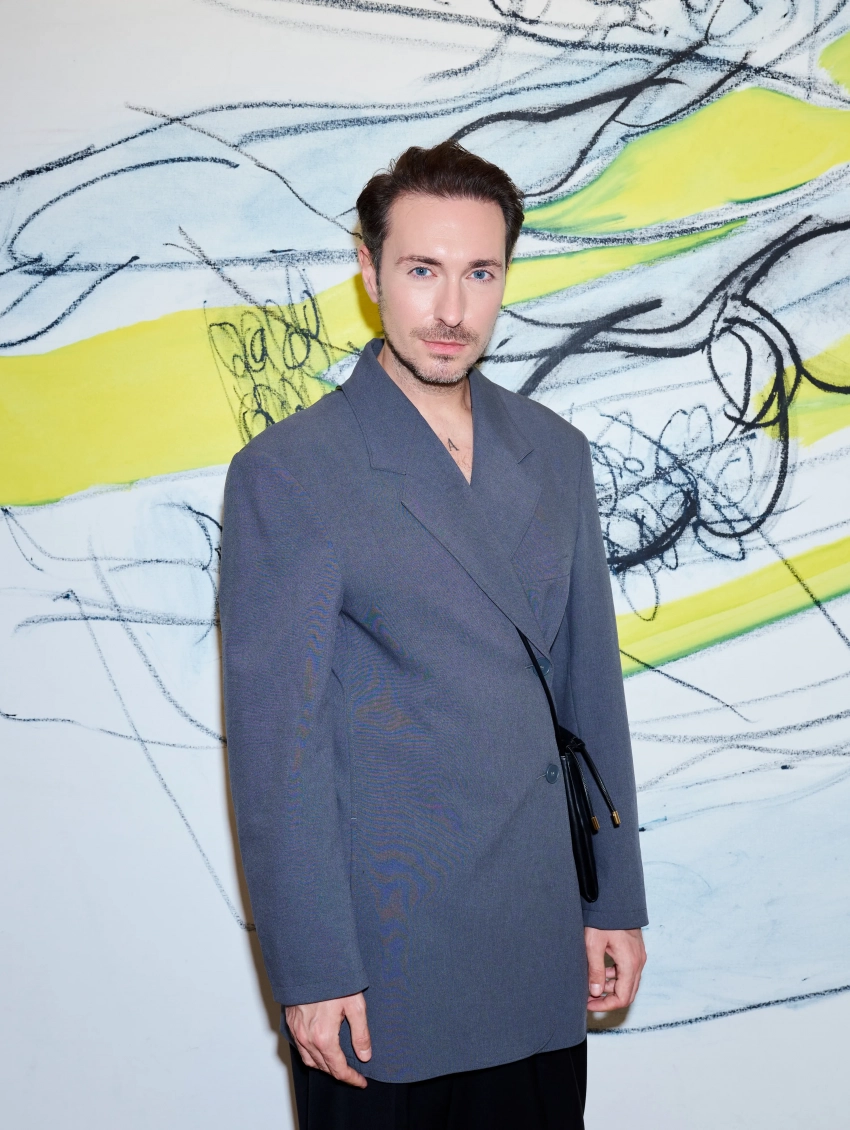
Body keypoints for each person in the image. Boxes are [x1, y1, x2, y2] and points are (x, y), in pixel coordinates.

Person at [219, 140, 647, 1130]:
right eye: (422, 270)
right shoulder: (290, 471)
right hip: (387, 960)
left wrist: (614, 899)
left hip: (537, 933)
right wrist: (312, 968)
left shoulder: (555, 451)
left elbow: (590, 692)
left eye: (479, 273)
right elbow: (278, 753)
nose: (451, 309)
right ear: (369, 272)